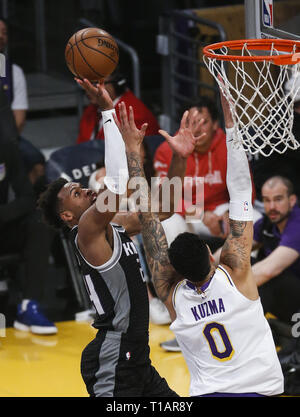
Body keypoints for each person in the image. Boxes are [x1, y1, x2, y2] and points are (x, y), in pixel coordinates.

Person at [115, 88, 284, 396]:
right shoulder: (235, 269)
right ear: (211, 254)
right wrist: (231, 124)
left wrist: (132, 151)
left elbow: (148, 216)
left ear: (171, 267)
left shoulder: (169, 291)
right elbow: (242, 191)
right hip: (261, 390)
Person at [38, 78, 179, 397]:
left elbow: (166, 209)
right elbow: (116, 185)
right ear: (67, 216)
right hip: (113, 356)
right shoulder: (85, 231)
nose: (85, 189)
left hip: (135, 356)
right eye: (75, 193)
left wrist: (180, 158)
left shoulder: (113, 226)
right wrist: (106, 111)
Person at [0, 135, 57, 335]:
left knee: (41, 221)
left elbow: (26, 197)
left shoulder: (5, 147)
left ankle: (29, 305)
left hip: (3, 225)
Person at [0, 16, 46, 186]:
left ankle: (29, 210)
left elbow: (18, 121)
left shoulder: (13, 72)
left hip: (7, 138)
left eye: (4, 32)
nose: (1, 36)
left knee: (37, 162)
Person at [251, 176, 300, 325]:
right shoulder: (267, 222)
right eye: (267, 200)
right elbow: (235, 248)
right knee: (240, 261)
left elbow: (268, 271)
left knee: (270, 277)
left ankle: (242, 332)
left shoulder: (297, 223)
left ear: (291, 201)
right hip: (285, 299)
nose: (272, 206)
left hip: (296, 300)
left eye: (278, 199)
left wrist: (223, 290)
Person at [76, 70, 160, 144]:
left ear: (116, 85)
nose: (89, 89)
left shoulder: (132, 114)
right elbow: (81, 148)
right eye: (86, 84)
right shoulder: (91, 110)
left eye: (95, 84)